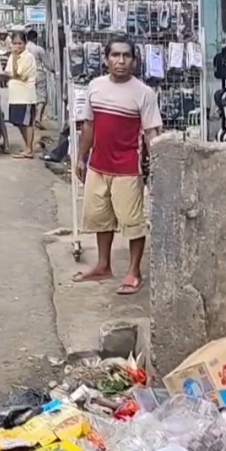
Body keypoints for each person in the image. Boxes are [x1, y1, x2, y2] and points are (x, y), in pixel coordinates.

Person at [72, 34, 162, 295]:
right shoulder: (95, 86)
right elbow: (89, 125)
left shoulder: (144, 93)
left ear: (134, 61)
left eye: (126, 56)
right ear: (106, 59)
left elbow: (151, 134)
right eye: (115, 55)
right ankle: (102, 265)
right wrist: (80, 157)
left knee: (133, 223)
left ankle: (134, 271)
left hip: (127, 169)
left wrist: (155, 167)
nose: (120, 61)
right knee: (101, 220)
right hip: (97, 166)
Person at [5, 31, 38, 159]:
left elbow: (19, 74)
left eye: (20, 43)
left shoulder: (28, 57)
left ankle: (29, 149)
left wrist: (13, 58)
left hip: (26, 96)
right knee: (18, 122)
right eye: (14, 43)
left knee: (27, 123)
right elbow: (8, 72)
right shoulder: (12, 56)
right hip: (15, 95)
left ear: (25, 43)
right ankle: (27, 147)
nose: (17, 46)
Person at [25, 29, 53, 129]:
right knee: (41, 97)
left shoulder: (23, 49)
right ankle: (37, 118)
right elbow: (48, 64)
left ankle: (28, 119)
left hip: (27, 75)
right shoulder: (39, 49)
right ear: (35, 38)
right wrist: (53, 70)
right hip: (39, 73)